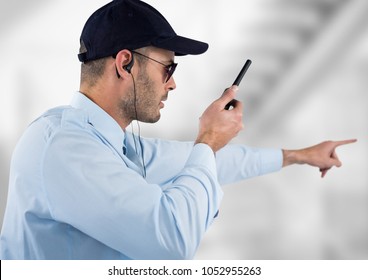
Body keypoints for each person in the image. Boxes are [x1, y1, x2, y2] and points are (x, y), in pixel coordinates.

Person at [0, 0, 356, 260]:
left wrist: (299, 156)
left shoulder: (116, 144)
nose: (172, 85)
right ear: (124, 64)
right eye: (167, 69)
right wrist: (207, 141)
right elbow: (170, 241)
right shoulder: (65, 147)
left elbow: (210, 161)